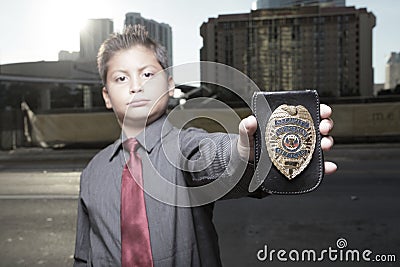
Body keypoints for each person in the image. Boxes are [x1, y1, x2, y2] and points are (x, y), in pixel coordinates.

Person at [73, 25, 336, 267]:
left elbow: (211, 155)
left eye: (148, 74)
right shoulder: (92, 173)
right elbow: (84, 257)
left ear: (169, 84)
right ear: (106, 95)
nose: (137, 86)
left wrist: (247, 151)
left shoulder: (184, 146)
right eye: (121, 78)